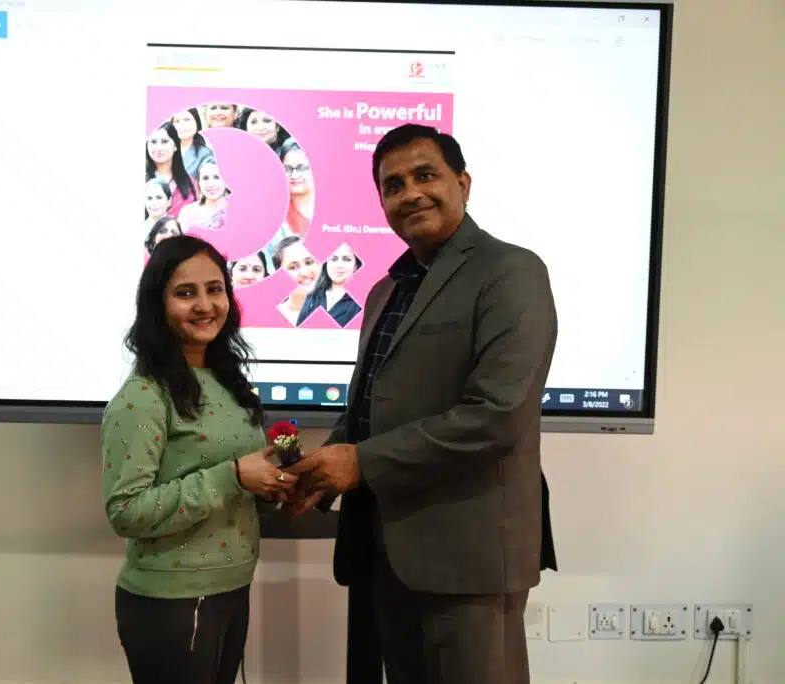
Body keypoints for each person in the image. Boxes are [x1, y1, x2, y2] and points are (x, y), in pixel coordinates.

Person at [285, 124, 559, 684]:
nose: (410, 193)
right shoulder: (385, 290)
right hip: (386, 551)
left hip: (468, 557)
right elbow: (367, 406)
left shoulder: (510, 272)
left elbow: (497, 416)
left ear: (463, 184)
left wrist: (360, 463)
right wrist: (318, 468)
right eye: (393, 185)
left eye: (425, 175)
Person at [102, 234, 298, 684]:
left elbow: (238, 486)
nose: (205, 305)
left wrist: (270, 485)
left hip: (231, 589)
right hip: (169, 601)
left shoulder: (228, 382)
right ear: (157, 305)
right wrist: (234, 476)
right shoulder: (143, 397)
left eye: (215, 289)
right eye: (185, 293)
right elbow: (125, 511)